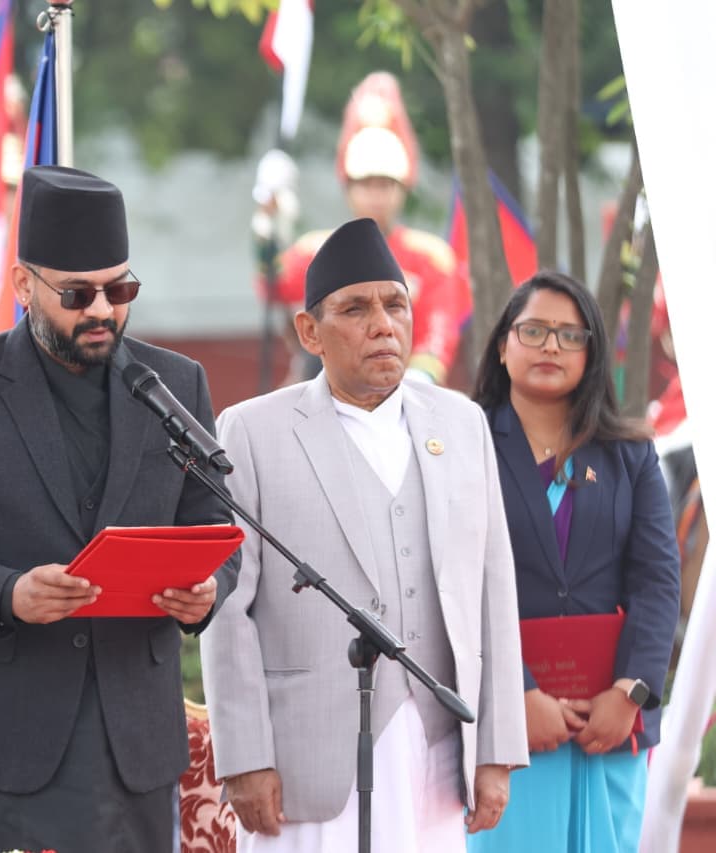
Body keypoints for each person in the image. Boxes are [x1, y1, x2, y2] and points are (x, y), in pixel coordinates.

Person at [0, 164, 239, 852]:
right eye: (78, 294)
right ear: (24, 285)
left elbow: (216, 528)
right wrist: (9, 591)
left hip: (130, 741)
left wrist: (207, 591)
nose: (103, 310)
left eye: (121, 288)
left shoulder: (176, 384)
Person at [201, 217, 528, 852]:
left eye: (395, 304)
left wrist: (497, 750)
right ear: (309, 331)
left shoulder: (462, 425)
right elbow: (227, 607)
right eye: (356, 308)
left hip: (438, 747)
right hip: (306, 760)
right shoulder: (253, 431)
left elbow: (493, 589)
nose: (383, 324)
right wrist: (243, 757)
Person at [466, 271, 681, 853]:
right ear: (503, 346)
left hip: (609, 728)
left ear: (592, 352)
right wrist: (517, 698)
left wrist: (630, 692)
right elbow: (454, 588)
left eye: (569, 335)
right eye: (533, 331)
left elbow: (658, 583)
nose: (551, 346)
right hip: (508, 735)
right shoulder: (462, 446)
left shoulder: (628, 453)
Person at [266, 72, 472, 386]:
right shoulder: (315, 251)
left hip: (406, 385)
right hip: (327, 387)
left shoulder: (432, 257)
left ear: (403, 189)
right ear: (348, 188)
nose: (377, 196)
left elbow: (439, 332)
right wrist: (268, 224)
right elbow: (274, 286)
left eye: (386, 185)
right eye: (367, 185)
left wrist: (418, 379)